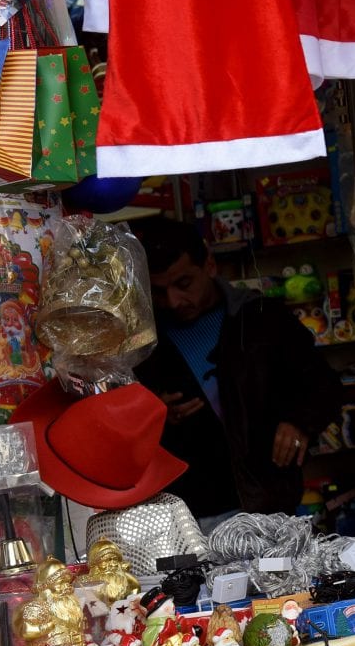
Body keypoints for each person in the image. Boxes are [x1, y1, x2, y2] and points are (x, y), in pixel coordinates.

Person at [132, 217, 341, 527]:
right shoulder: (145, 342)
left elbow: (324, 385)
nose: (174, 301)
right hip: (186, 514)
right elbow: (126, 420)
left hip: (268, 505)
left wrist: (299, 422)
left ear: (210, 266)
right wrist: (154, 413)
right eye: (160, 291)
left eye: (184, 284)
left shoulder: (261, 318)